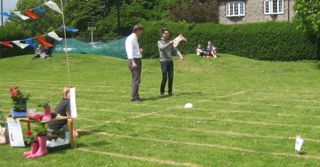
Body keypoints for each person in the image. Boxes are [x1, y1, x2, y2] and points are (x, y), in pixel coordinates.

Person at [158, 28, 184, 97]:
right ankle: (162, 92)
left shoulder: (170, 42)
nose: (167, 35)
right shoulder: (159, 42)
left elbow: (175, 49)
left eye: (168, 33)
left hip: (170, 61)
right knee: (164, 77)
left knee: (171, 77)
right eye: (166, 33)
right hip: (163, 62)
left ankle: (170, 92)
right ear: (162, 34)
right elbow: (162, 48)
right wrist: (169, 44)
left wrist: (180, 55)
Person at [125, 24, 144, 102]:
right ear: (137, 30)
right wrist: (133, 62)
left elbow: (134, 50)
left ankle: (136, 96)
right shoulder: (131, 38)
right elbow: (129, 50)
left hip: (137, 59)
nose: (141, 33)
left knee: (137, 79)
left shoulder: (134, 38)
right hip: (134, 60)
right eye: (141, 31)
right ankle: (134, 98)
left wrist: (139, 50)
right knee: (136, 79)